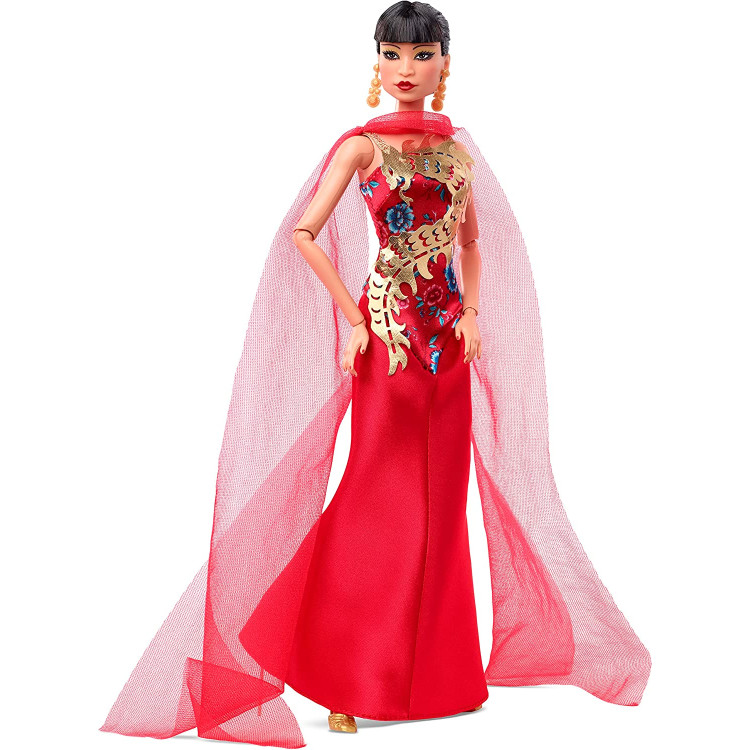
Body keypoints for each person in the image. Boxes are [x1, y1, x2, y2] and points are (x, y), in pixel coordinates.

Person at [100, 3, 651, 747]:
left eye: (421, 55)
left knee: (441, 506)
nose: (405, 69)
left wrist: (474, 312)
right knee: (376, 496)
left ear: (445, 64)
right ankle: (339, 673)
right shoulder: (362, 148)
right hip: (388, 339)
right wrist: (354, 319)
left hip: (447, 343)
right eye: (392, 54)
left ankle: (441, 678)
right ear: (376, 63)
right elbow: (303, 232)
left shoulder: (456, 154)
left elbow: (472, 243)